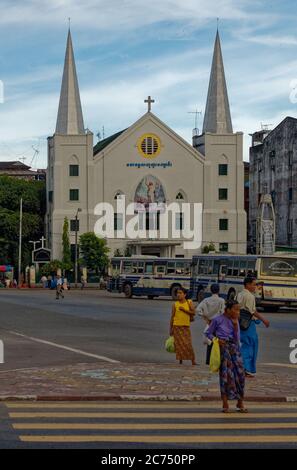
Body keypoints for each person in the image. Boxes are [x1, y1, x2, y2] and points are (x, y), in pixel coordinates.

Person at [206, 300, 247, 413]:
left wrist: (235, 326)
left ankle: (240, 402)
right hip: (223, 349)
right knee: (226, 376)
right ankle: (225, 403)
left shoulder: (235, 321)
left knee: (240, 375)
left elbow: (237, 339)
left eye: (239, 310)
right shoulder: (217, 320)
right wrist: (217, 340)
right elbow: (208, 333)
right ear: (228, 310)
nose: (238, 312)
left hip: (235, 349)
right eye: (236, 309)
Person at [237, 276, 270, 378]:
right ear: (247, 284)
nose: (255, 286)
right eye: (253, 284)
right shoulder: (249, 296)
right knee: (250, 346)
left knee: (243, 344)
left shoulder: (239, 294)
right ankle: (247, 369)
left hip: (240, 323)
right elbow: (253, 311)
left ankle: (241, 367)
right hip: (248, 324)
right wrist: (264, 320)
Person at [197, 283, 225, 365]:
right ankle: (217, 361)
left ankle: (208, 361)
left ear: (211, 290)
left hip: (209, 323)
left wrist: (205, 318)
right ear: (218, 290)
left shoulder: (206, 300)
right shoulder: (221, 300)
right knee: (219, 343)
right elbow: (223, 312)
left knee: (210, 342)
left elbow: (198, 310)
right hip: (219, 325)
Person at [169, 287, 196, 366]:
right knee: (179, 345)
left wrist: (184, 310)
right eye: (177, 293)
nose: (178, 295)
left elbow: (193, 312)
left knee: (188, 344)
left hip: (185, 326)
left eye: (180, 293)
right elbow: (172, 317)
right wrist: (170, 329)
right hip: (176, 326)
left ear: (185, 294)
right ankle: (180, 360)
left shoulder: (189, 302)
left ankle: (193, 361)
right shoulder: (175, 304)